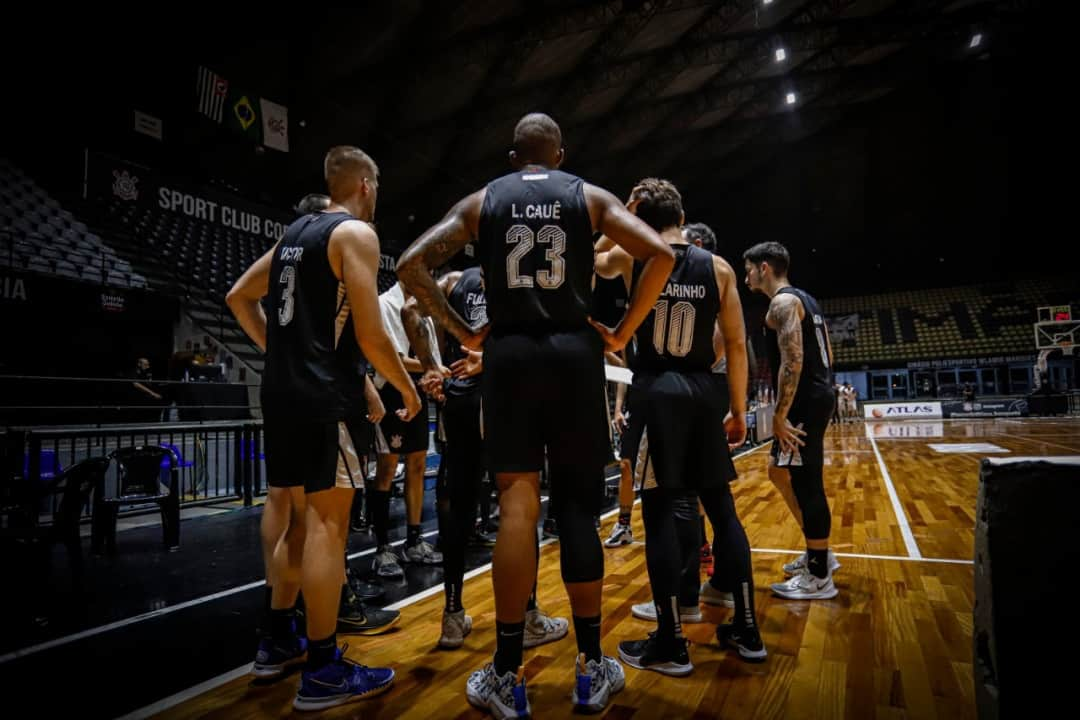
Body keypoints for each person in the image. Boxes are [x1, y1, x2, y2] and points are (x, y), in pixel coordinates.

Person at [397, 112, 674, 717]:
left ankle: (504, 672)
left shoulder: (483, 200)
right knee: (577, 503)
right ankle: (591, 666)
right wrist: (623, 328)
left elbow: (410, 266)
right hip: (575, 354)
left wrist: (466, 334)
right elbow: (659, 254)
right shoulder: (588, 195)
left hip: (510, 356)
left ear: (512, 154)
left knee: (517, 503)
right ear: (560, 153)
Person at [227, 146, 420, 710]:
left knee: (294, 523)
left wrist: (285, 355)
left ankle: (277, 639)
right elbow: (369, 334)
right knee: (326, 528)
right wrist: (405, 389)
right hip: (322, 399)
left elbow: (239, 297)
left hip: (281, 394)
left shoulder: (294, 234)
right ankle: (324, 667)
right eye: (377, 183)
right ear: (364, 182)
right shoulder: (355, 234)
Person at [596, 179, 764, 674]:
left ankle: (670, 640)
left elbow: (592, 260)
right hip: (702, 393)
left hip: (656, 392)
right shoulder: (719, 267)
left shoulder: (634, 253)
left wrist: (621, 216)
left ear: (642, 215)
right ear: (684, 214)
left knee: (662, 515)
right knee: (723, 509)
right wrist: (737, 408)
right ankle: (748, 628)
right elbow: (734, 344)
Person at [743, 241, 840, 600]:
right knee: (778, 471)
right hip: (817, 393)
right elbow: (826, 351)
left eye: (749, 268)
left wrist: (781, 415)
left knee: (806, 482)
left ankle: (819, 573)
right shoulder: (807, 299)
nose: (746, 275)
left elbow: (793, 360)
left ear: (764, 268)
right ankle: (820, 554)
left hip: (804, 400)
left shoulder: (782, 302)